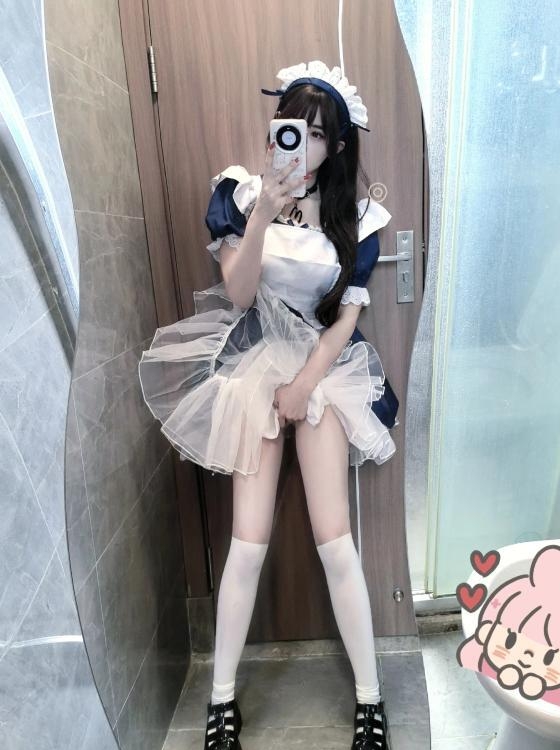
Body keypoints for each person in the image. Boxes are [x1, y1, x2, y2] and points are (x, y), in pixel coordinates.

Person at [139, 60, 399, 750]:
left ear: (336, 146)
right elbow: (240, 294)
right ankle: (221, 701)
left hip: (322, 371)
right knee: (247, 543)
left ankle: (370, 701)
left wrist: (305, 385)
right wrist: (262, 210)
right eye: (292, 129)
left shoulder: (357, 217)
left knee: (334, 541)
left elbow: (345, 319)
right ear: (275, 129)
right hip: (254, 364)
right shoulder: (240, 194)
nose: (302, 146)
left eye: (317, 135)